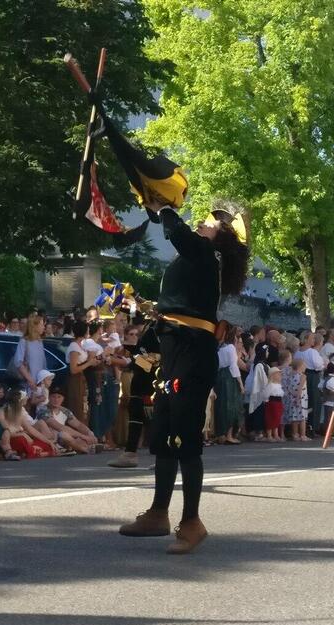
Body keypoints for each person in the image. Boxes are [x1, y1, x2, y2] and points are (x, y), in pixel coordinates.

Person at [118, 204, 249, 555]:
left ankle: (191, 521)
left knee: (184, 436)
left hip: (193, 351)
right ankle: (159, 512)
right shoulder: (198, 256)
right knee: (163, 430)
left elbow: (177, 233)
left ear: (223, 236)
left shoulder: (210, 255)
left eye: (210, 223)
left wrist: (163, 207)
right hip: (176, 346)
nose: (202, 223)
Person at [108, 324, 156, 469]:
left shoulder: (160, 333)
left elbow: (151, 362)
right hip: (138, 383)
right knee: (135, 416)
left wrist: (132, 357)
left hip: (150, 384)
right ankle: (130, 453)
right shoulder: (151, 331)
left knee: (154, 419)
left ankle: (163, 456)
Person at [213, 324, 243, 444]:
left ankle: (221, 434)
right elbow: (233, 366)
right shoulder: (230, 348)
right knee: (231, 406)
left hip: (220, 377)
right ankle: (229, 435)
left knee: (221, 405)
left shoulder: (219, 348)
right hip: (229, 378)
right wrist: (240, 383)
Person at [263, 366, 285, 441]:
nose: (280, 376)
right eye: (278, 374)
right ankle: (269, 435)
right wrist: (266, 400)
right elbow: (266, 394)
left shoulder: (279, 385)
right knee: (271, 418)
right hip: (272, 403)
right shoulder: (270, 385)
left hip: (278, 403)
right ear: (273, 375)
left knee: (277, 418)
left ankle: (276, 434)